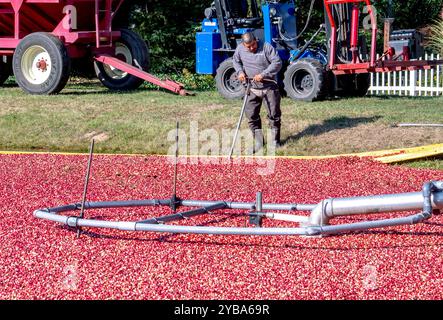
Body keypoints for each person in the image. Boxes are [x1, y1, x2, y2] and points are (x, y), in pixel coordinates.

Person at [233, 32, 283, 154]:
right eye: (248, 46)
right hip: (251, 87)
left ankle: (275, 141)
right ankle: (259, 142)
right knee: (252, 116)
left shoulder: (266, 47)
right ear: (243, 44)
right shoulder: (240, 49)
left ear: (256, 40)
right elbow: (236, 61)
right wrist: (239, 72)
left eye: (253, 45)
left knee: (274, 115)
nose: (251, 48)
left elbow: (277, 62)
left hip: (269, 87)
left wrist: (263, 74)